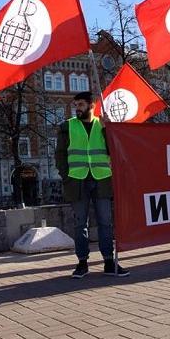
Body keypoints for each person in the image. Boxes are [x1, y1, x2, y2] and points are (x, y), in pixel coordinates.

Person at [55, 91, 130, 278]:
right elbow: (60, 154)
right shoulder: (67, 126)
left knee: (106, 222)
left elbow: (114, 150)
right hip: (77, 180)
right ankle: (82, 263)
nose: (77, 108)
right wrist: (65, 176)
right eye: (76, 105)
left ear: (91, 106)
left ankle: (108, 261)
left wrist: (106, 129)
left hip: (101, 179)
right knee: (81, 224)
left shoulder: (103, 125)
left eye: (81, 104)